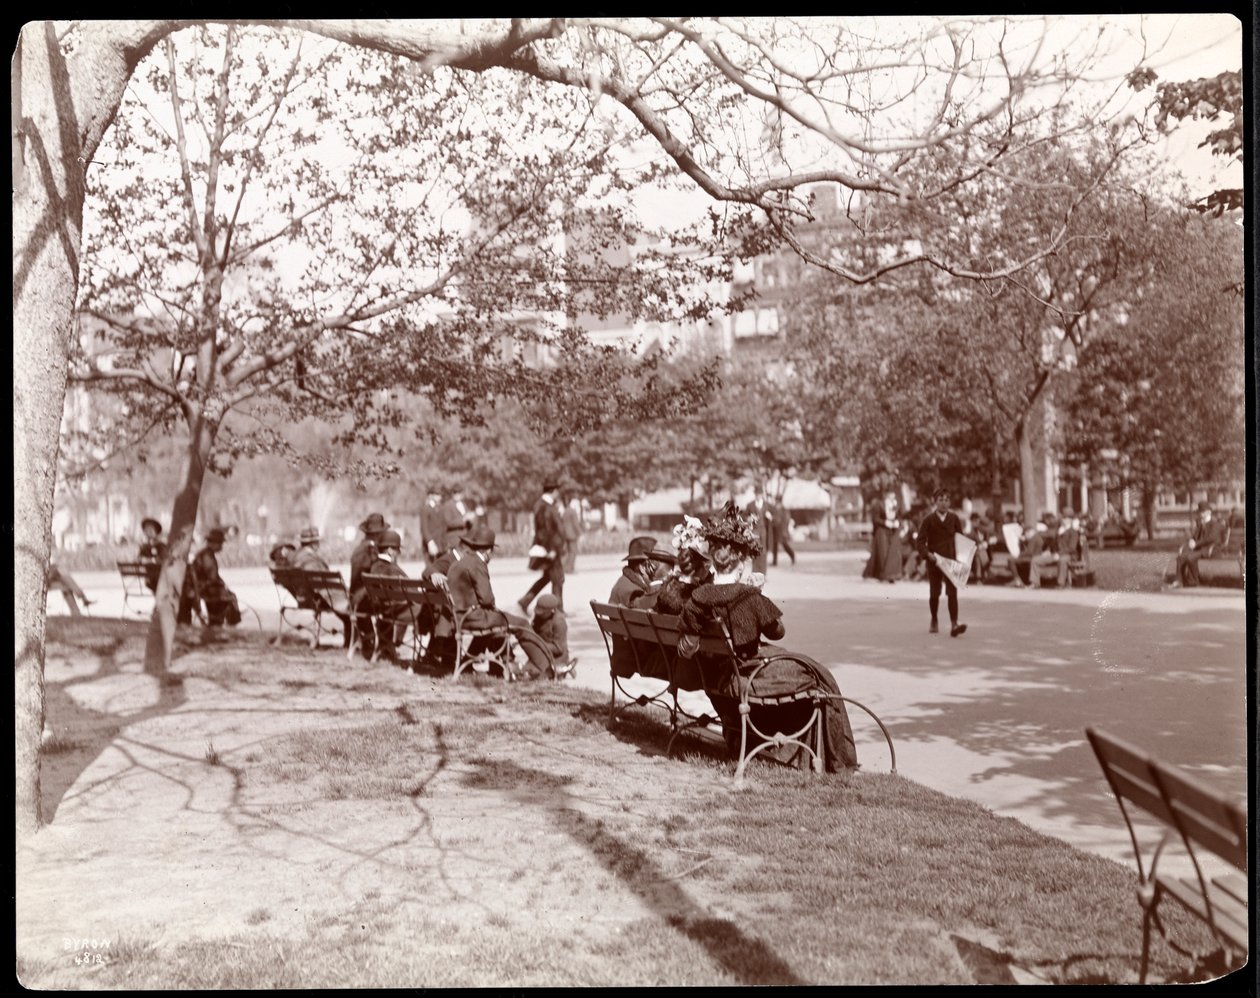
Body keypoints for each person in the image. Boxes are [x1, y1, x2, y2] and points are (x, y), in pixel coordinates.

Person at [678, 500, 858, 772]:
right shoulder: (748, 596)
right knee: (819, 675)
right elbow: (778, 631)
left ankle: (783, 748)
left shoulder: (697, 598)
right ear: (739, 566)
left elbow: (688, 644)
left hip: (717, 675)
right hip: (746, 676)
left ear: (714, 565)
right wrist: (757, 594)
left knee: (807, 669)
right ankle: (828, 757)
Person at [357, 529, 424, 663]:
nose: (399, 553)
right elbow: (413, 593)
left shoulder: (374, 566)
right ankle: (435, 652)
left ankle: (388, 646)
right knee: (430, 608)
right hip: (398, 613)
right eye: (398, 550)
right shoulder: (393, 569)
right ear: (390, 551)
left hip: (382, 612)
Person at [916, 488, 967, 637]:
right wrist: (927, 554)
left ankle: (954, 624)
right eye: (940, 500)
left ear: (950, 502)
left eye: (946, 500)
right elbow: (920, 542)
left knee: (952, 593)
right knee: (934, 593)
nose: (944, 503)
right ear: (935, 502)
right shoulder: (929, 520)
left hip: (951, 561)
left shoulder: (954, 519)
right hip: (934, 561)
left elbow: (960, 539)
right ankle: (934, 619)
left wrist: (962, 558)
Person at [518, 479, 567, 615]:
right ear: (553, 491)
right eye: (557, 490)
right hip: (550, 549)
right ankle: (558, 610)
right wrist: (550, 549)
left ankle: (525, 601)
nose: (558, 493)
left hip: (552, 548)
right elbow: (544, 530)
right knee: (558, 578)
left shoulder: (545, 505)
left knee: (549, 577)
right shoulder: (544, 507)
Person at [180, 527, 241, 627]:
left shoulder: (206, 554)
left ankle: (220, 620)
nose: (221, 546)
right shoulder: (207, 556)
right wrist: (222, 585)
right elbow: (212, 577)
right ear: (213, 543)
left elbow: (213, 575)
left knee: (228, 594)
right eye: (220, 543)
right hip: (200, 587)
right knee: (229, 597)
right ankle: (223, 621)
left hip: (199, 586)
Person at [1172, 501, 1224, 588]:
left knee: (1190, 557)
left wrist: (1196, 543)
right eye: (1199, 512)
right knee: (1180, 557)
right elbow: (1195, 536)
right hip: (1200, 549)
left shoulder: (1215, 524)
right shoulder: (1201, 524)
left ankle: (1193, 581)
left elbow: (1211, 538)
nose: (1200, 514)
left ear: (1209, 512)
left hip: (1212, 549)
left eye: (1202, 512)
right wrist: (1189, 542)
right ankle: (1179, 581)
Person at [609, 536, 665, 607]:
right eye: (654, 563)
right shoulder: (637, 592)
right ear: (642, 567)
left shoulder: (621, 581)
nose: (655, 569)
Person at [532, 594, 576, 679]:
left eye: (542, 613)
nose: (538, 614)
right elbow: (533, 630)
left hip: (556, 657)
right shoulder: (539, 616)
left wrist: (538, 643)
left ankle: (565, 667)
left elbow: (558, 649)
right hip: (542, 652)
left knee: (540, 676)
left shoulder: (559, 622)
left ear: (552, 611)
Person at [863, 491, 903, 583]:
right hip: (881, 531)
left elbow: (899, 517)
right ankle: (883, 575)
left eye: (893, 495)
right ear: (886, 495)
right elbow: (875, 519)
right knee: (883, 553)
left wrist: (897, 522)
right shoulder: (879, 505)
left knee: (892, 553)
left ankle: (891, 574)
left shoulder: (895, 505)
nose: (892, 497)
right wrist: (885, 522)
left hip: (892, 531)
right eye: (890, 495)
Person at [138, 517, 167, 592]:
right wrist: (144, 560)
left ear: (156, 532)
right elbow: (139, 558)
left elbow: (162, 558)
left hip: (158, 576)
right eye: (146, 531)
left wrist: (149, 560)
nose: (148, 533)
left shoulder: (161, 545)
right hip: (153, 577)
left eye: (151, 531)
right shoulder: (144, 546)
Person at [419, 490, 446, 566]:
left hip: (441, 545)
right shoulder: (425, 509)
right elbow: (424, 529)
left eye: (440, 495)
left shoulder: (440, 508)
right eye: (437, 494)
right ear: (430, 495)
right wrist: (430, 542)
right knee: (430, 569)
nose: (439, 497)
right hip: (430, 545)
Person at [768, 499, 796, 567]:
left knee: (784, 545)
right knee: (776, 545)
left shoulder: (781, 510)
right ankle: (775, 561)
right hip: (778, 531)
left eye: (777, 502)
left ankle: (792, 555)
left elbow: (778, 520)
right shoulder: (782, 509)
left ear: (779, 502)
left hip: (781, 531)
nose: (776, 504)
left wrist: (771, 519)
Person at [561, 494, 582, 574]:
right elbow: (575, 524)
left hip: (565, 535)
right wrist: (580, 533)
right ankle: (570, 569)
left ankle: (565, 568)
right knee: (573, 552)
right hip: (572, 535)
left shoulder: (565, 511)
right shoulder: (572, 511)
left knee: (567, 552)